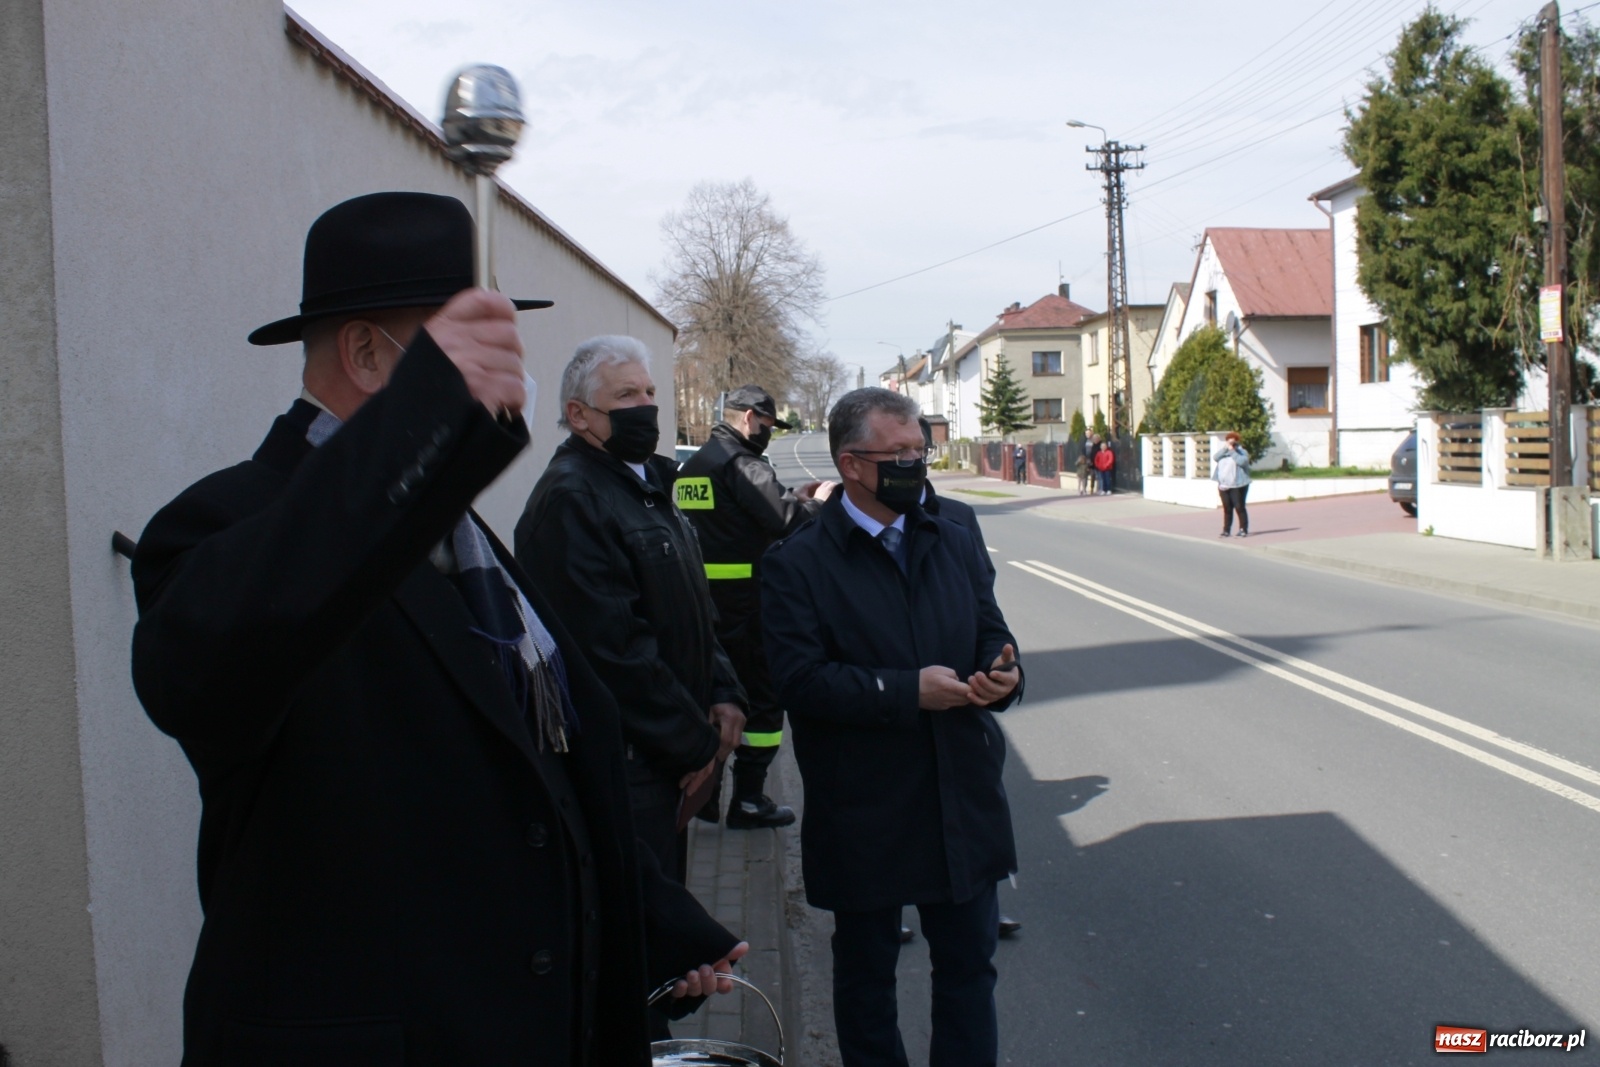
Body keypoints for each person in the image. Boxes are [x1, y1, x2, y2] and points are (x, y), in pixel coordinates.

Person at [128, 192, 743, 1067]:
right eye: (470, 345)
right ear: (373, 356)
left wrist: (658, 921)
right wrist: (424, 419)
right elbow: (196, 669)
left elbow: (543, 782)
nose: (511, 376)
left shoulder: (465, 535)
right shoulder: (229, 523)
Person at [763, 388, 1023, 1067]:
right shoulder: (799, 561)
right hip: (866, 806)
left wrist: (1005, 675)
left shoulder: (957, 529)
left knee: (970, 972)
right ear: (851, 464)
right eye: (899, 453)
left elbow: (991, 631)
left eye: (921, 449)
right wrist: (905, 691)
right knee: (866, 977)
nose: (916, 463)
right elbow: (798, 680)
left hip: (958, 794)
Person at [515, 337, 747, 887]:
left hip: (673, 757)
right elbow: (611, 649)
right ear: (578, 415)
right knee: (644, 931)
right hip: (632, 765)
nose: (645, 405)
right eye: (625, 395)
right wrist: (695, 744)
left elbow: (690, 606)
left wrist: (722, 689)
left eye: (648, 391)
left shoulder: (650, 486)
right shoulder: (573, 499)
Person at [677, 385, 834, 829]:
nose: (767, 432)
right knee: (763, 700)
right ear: (748, 418)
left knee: (714, 697)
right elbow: (790, 522)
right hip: (748, 607)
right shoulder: (740, 464)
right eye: (766, 424)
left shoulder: (694, 465)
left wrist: (793, 498)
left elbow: (738, 518)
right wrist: (817, 504)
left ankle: (706, 796)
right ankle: (749, 799)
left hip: (701, 606)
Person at [1213, 430, 1252, 537]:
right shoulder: (1223, 452)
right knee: (1227, 508)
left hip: (1238, 484)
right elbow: (1215, 458)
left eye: (1233, 442)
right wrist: (1226, 448)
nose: (1231, 444)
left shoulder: (1242, 452)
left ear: (1237, 442)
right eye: (1229, 442)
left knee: (1239, 507)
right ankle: (1226, 530)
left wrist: (1232, 451)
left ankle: (1243, 529)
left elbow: (1242, 462)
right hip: (1224, 484)